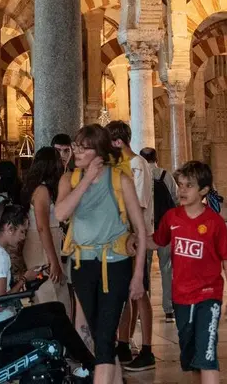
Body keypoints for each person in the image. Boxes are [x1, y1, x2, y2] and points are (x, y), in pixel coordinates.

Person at [57, 124, 147, 384]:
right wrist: (86, 179)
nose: (77, 152)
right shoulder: (69, 179)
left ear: (99, 152)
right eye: (76, 146)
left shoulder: (120, 180)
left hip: (115, 265)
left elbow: (141, 230)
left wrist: (138, 275)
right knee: (99, 337)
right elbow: (61, 213)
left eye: (83, 148)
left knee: (106, 339)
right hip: (82, 265)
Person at [0, 203, 95, 378]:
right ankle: (89, 364)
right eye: (22, 232)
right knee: (55, 319)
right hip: (0, 324)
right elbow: (0, 304)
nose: (23, 237)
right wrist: (25, 279)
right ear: (9, 227)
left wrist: (28, 280)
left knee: (56, 307)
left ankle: (83, 361)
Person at [153, 160, 227, 383]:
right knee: (191, 356)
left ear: (204, 190)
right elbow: (157, 240)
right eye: (180, 185)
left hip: (208, 296)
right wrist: (134, 240)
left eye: (189, 186)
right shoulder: (172, 217)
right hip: (181, 297)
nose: (182, 190)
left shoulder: (214, 222)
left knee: (207, 354)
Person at [109, 120, 155, 372]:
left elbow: (137, 204)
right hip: (123, 239)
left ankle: (147, 349)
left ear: (118, 142)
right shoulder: (123, 166)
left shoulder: (138, 165)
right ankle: (124, 342)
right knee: (126, 293)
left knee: (141, 292)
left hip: (136, 238)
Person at [21, 147, 67, 308]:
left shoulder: (41, 188)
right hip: (41, 245)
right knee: (50, 293)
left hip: (45, 242)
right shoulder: (42, 190)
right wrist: (53, 260)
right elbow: (42, 227)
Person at [142, 147, 177, 323]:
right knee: (167, 268)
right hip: (165, 229)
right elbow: (176, 199)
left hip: (145, 230)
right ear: (157, 159)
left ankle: (142, 310)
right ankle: (169, 310)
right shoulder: (165, 175)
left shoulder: (138, 176)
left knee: (144, 269)